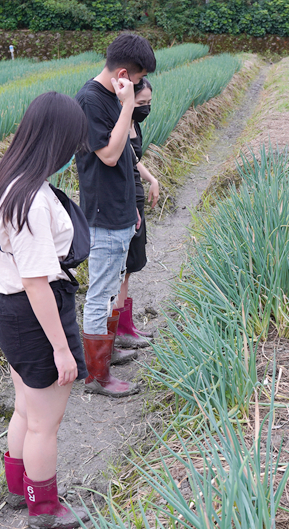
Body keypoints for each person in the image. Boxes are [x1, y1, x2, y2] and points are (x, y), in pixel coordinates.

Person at [0, 91, 92, 529]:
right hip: (32, 313)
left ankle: (18, 488)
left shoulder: (6, 180)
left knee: (25, 407)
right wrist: (62, 350)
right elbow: (36, 282)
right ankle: (44, 508)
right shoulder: (32, 202)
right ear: (57, 143)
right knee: (46, 421)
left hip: (5, 307)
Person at [75, 32, 156, 397]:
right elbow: (108, 154)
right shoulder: (92, 100)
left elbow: (124, 158)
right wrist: (126, 106)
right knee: (100, 292)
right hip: (102, 214)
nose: (139, 89)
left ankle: (107, 353)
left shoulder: (111, 97)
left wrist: (132, 210)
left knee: (110, 289)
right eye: (138, 79)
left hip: (120, 210)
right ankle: (97, 376)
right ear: (124, 73)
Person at [114, 77, 160, 350]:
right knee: (121, 269)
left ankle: (126, 326)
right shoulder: (118, 123)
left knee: (130, 267)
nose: (144, 108)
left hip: (136, 196)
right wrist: (129, 204)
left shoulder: (134, 123)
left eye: (148, 103)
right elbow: (117, 167)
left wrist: (152, 178)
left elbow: (133, 160)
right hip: (124, 199)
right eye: (140, 102)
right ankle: (118, 329)